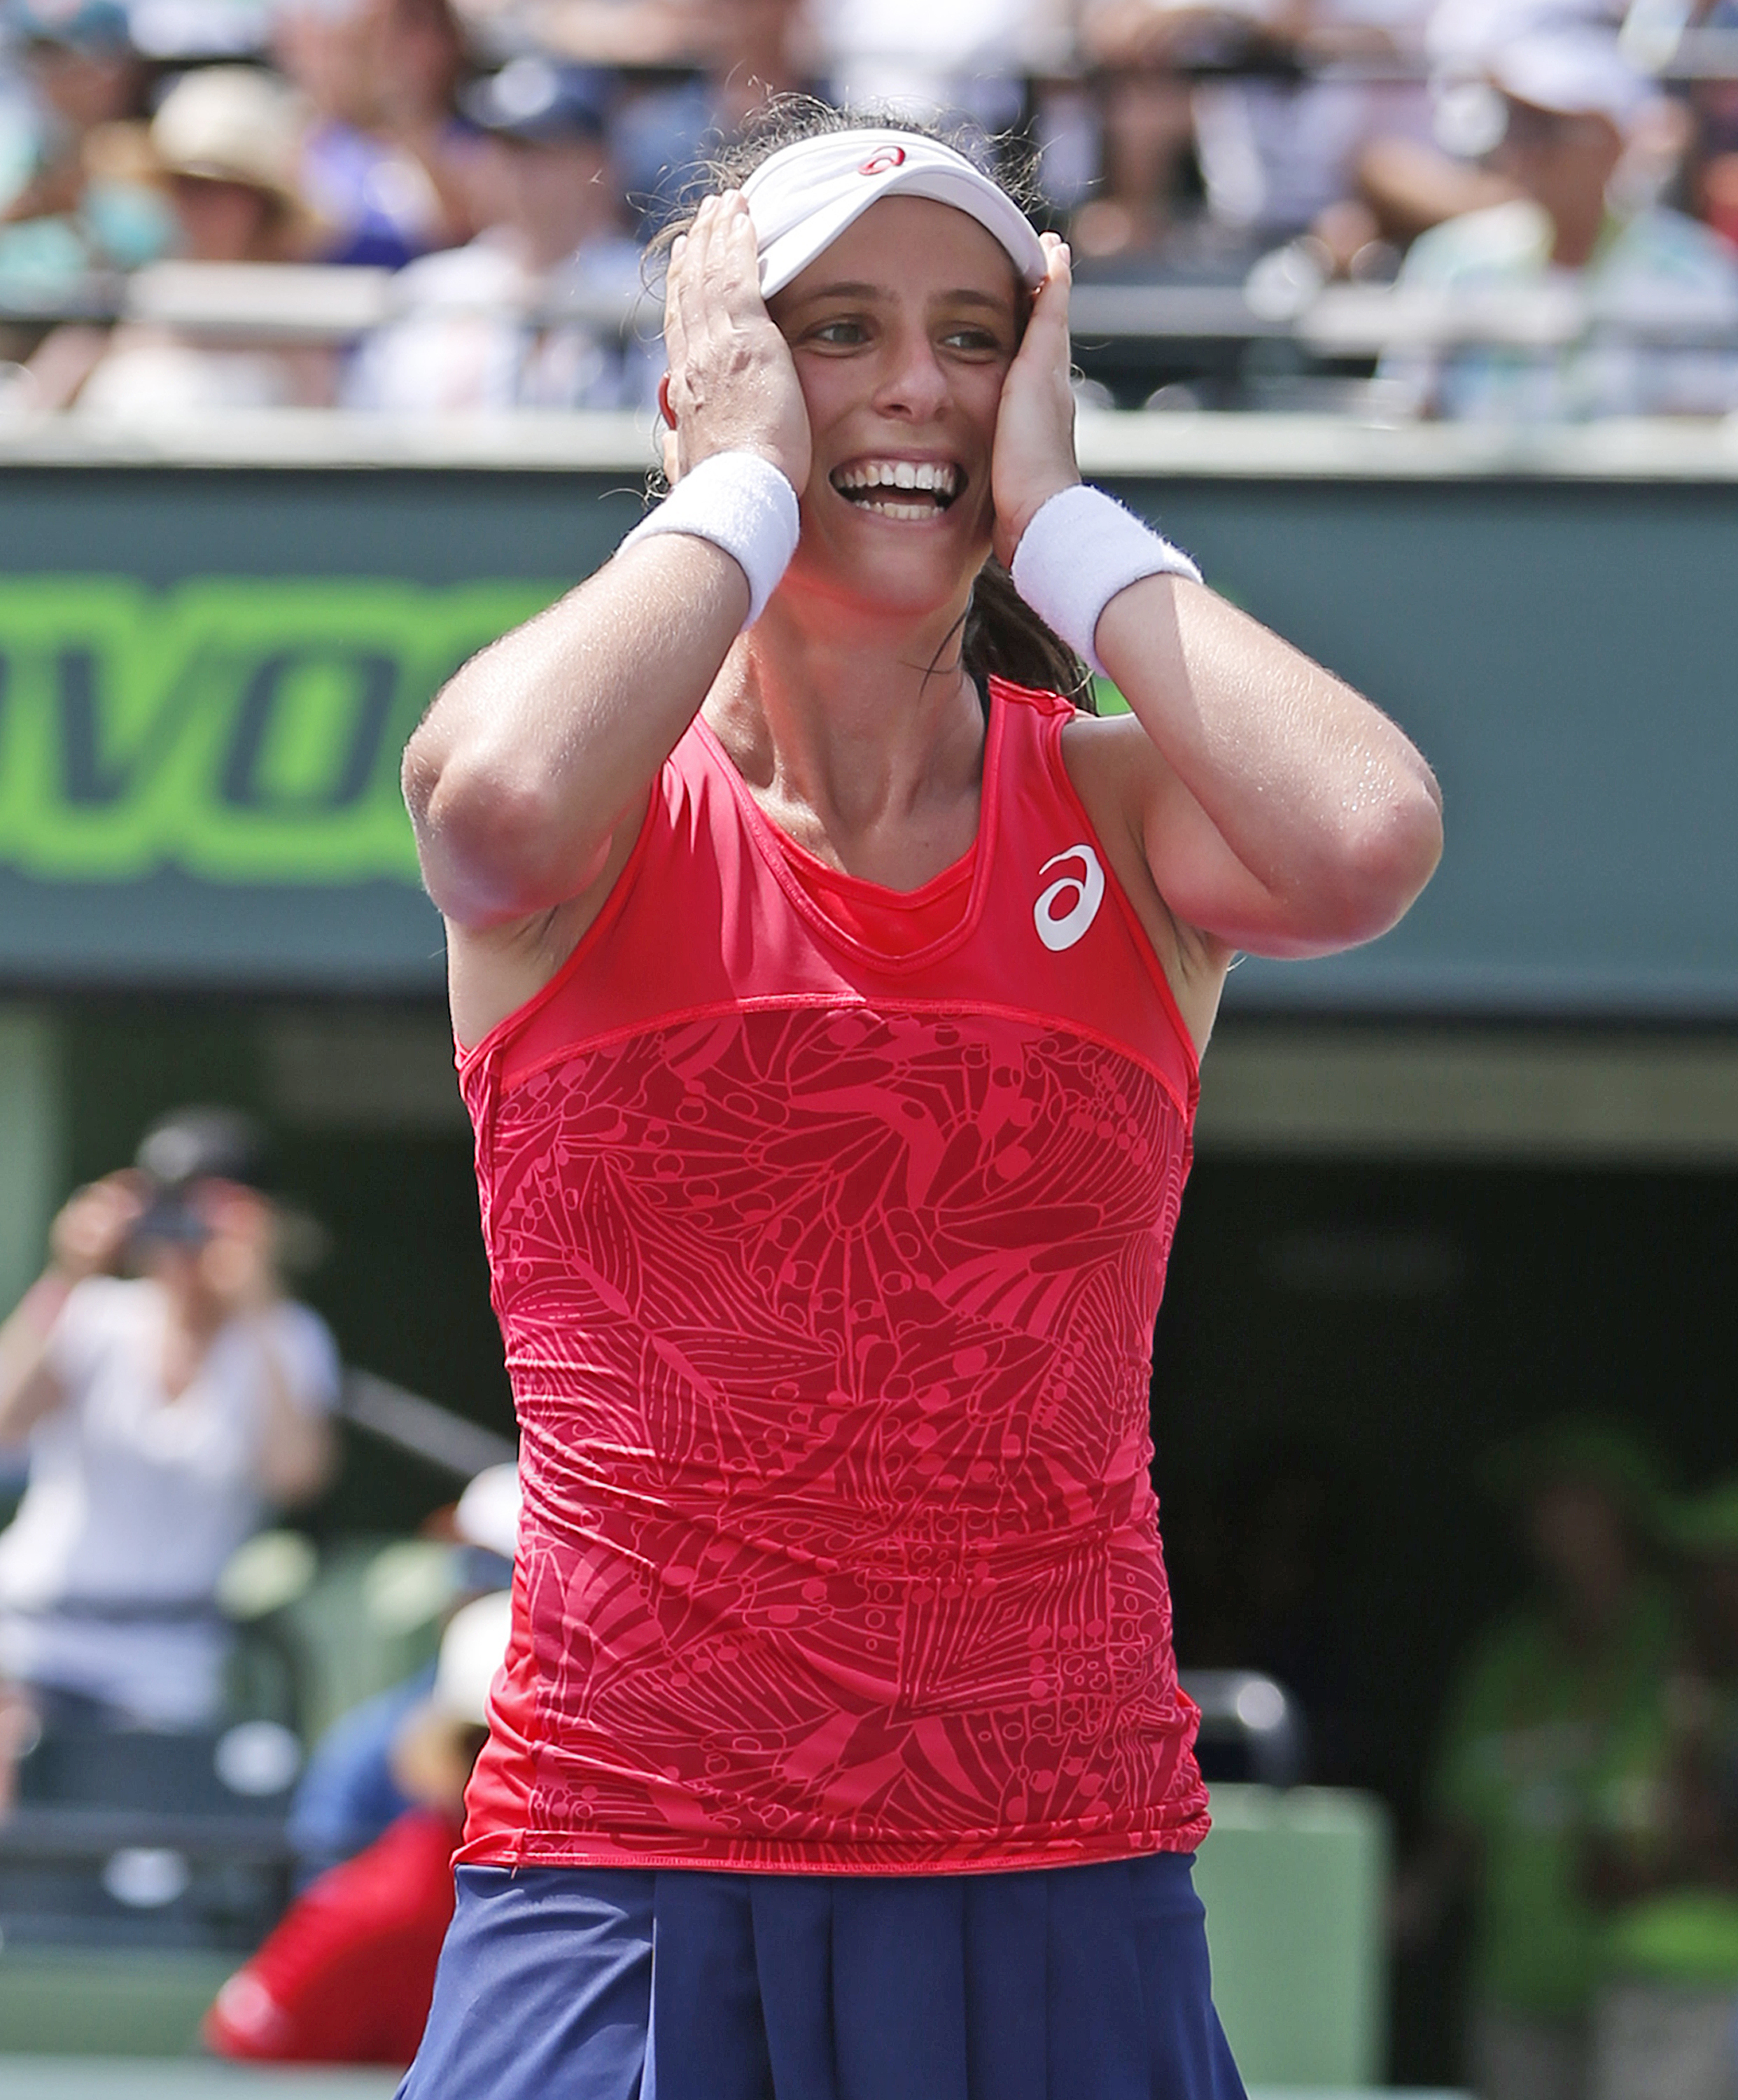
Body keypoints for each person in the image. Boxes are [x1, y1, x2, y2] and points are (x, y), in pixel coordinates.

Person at [397, 97, 1443, 2096]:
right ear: (707, 383)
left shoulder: (1121, 809)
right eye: (835, 329)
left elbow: (1364, 841)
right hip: (628, 1867)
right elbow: (501, 811)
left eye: (975, 336)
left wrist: (1064, 526)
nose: (915, 387)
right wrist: (733, 491)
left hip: (1066, 1875)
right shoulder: (597, 803)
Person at [0, 1107, 337, 1763]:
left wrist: (256, 1296)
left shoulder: (284, 1337)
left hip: (170, 1664)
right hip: (28, 1632)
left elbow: (297, 1477)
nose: (183, 1241)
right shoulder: (95, 1316)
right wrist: (66, 1273)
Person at [1393, 1422, 1678, 2100]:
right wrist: (1402, 1906)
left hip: (1647, 1990)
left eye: (1561, 1496)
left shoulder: (1681, 1642)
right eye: (1534, 1502)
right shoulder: (1503, 1658)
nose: (1538, 1519)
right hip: (1513, 1981)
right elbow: (1458, 1824)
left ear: (1619, 1510)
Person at [205, 1588, 511, 2066]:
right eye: (487, 1745)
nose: (527, 1772)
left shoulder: (636, 1893)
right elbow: (234, 2061)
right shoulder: (383, 1907)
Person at [1383, 25, 1738, 417]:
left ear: (1612, 143)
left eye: (1547, 127)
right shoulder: (1449, 261)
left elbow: (1693, 442)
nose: (1525, 148)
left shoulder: (1695, 274)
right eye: (1515, 122)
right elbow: (1411, 419)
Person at [341, 59, 657, 416]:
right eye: (508, 149)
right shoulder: (431, 289)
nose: (521, 173)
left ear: (597, 163)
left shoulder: (647, 288)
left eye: (544, 150)